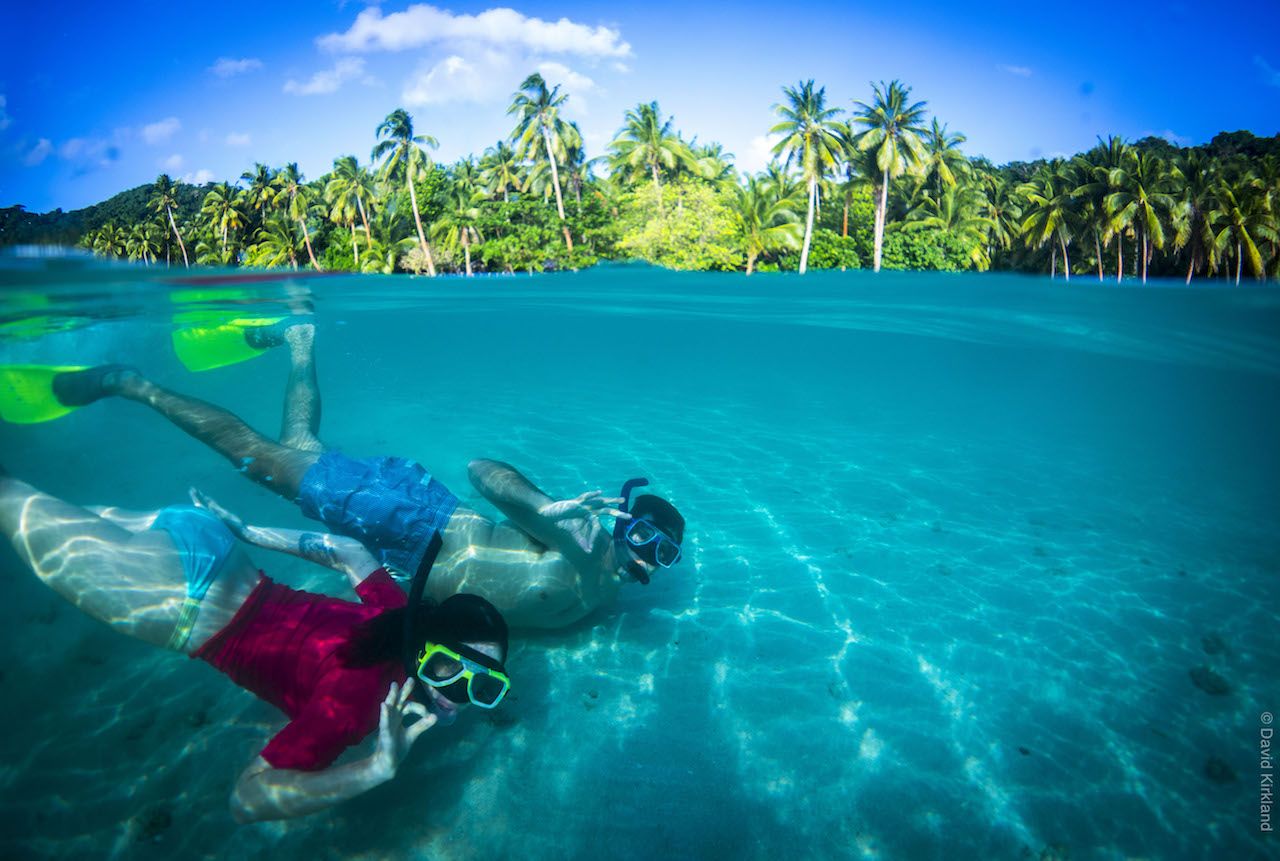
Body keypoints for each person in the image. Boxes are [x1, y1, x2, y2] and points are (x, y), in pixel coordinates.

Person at [13, 319, 687, 629]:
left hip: (403, 545)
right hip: (411, 522)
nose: (652, 564)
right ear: (624, 527)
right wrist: (545, 506)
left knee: (298, 446)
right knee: (259, 460)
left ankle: (300, 343)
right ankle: (127, 381)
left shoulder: (608, 592)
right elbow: (484, 473)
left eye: (666, 555)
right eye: (650, 543)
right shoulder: (585, 543)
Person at [0, 468, 510, 823]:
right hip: (175, 596)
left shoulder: (398, 614)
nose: (457, 693)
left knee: (19, 496)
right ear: (424, 650)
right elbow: (247, 800)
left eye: (483, 684)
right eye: (447, 669)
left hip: (209, 543)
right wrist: (375, 768)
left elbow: (347, 550)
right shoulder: (356, 708)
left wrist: (245, 531)